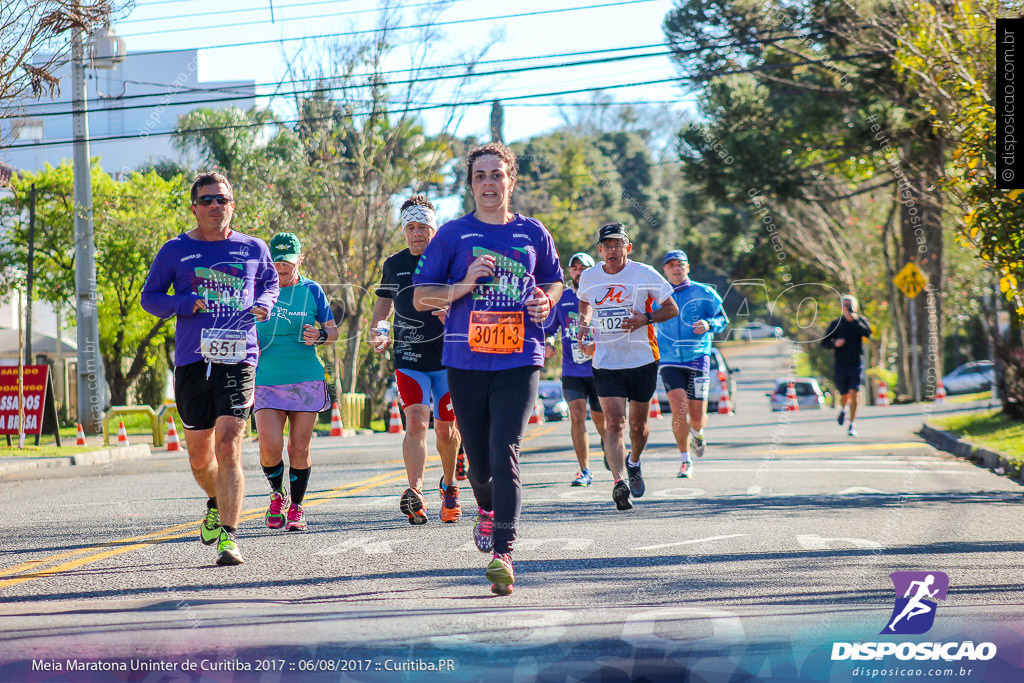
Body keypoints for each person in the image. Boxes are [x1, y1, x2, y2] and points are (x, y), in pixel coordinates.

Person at [413, 142, 563, 596]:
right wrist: (463, 284)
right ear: (471, 184)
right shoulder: (453, 235)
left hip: (520, 357)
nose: (489, 183)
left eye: (497, 174)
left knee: (506, 448)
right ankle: (485, 507)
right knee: (477, 463)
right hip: (466, 360)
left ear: (511, 180)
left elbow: (554, 280)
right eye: (480, 176)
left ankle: (504, 552)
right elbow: (422, 298)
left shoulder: (534, 233)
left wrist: (546, 299)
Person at [141, 171, 279, 566]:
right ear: (194, 207)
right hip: (192, 360)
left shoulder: (254, 248)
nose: (215, 206)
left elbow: (270, 284)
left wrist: (266, 303)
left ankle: (230, 539)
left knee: (229, 443)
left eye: (222, 199)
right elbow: (150, 297)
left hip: (239, 357)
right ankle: (216, 502)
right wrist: (183, 304)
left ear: (233, 205)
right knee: (201, 458)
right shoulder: (174, 250)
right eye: (207, 200)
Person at [371, 195, 462, 525]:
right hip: (408, 356)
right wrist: (380, 329)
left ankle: (449, 486)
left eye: (423, 227)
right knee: (416, 421)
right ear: (404, 230)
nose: (417, 233)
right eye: (411, 227)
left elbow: (468, 301)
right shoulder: (394, 264)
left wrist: (453, 315)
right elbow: (384, 304)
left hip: (448, 360)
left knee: (447, 431)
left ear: (434, 231)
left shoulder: (451, 263)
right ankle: (416, 492)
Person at [576, 224, 678, 511]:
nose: (612, 250)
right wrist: (584, 322)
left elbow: (671, 308)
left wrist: (645, 318)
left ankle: (634, 462)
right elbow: (584, 302)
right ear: (599, 249)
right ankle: (618, 482)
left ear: (627, 248)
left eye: (618, 244)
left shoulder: (644, 273)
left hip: (642, 359)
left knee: (638, 425)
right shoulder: (589, 276)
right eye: (607, 245)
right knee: (614, 422)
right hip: (606, 361)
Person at [254, 232, 338, 532]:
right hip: (266, 379)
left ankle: (297, 507)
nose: (282, 268)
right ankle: (277, 494)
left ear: (300, 259)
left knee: (298, 449)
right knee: (270, 445)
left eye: (288, 262)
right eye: (276, 262)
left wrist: (320, 335)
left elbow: (333, 331)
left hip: (305, 378)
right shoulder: (258, 290)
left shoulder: (312, 290)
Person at [656, 249, 728, 478]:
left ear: (688, 267)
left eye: (681, 264)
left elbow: (723, 320)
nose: (676, 268)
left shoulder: (704, 292)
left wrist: (708, 324)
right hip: (668, 360)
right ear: (665, 269)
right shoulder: (657, 294)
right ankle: (685, 459)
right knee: (678, 409)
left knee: (696, 415)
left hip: (698, 358)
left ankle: (698, 433)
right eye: (671, 265)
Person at [543, 252, 606, 486]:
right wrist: (548, 344)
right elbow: (549, 329)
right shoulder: (563, 299)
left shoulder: (603, 296)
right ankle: (585, 470)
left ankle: (606, 444)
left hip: (600, 369)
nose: (579, 272)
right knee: (577, 417)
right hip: (572, 370)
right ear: (570, 272)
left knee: (602, 422)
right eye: (575, 268)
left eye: (584, 268)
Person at [822, 294, 872, 437]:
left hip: (856, 363)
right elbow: (824, 343)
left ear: (855, 306)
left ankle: (852, 424)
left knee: (854, 393)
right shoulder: (836, 324)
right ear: (841, 307)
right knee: (844, 395)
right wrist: (834, 343)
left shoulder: (860, 321)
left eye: (850, 305)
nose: (847, 307)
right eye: (845, 305)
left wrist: (854, 320)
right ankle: (843, 408)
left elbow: (867, 333)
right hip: (841, 364)